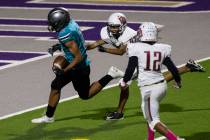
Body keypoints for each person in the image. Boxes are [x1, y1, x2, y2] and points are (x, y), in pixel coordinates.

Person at [86, 13, 205, 120]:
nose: (112, 29)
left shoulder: (130, 35)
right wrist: (85, 47)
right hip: (141, 57)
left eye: (115, 27)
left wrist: (105, 50)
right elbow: (99, 42)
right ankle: (188, 67)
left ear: (122, 26)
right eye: (111, 26)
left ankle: (119, 112)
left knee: (127, 83)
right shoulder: (110, 32)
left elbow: (121, 51)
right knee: (157, 80)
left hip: (144, 58)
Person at [31, 7, 124, 123]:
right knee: (55, 86)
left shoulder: (64, 33)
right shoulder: (71, 23)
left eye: (54, 23)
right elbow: (76, 42)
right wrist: (59, 46)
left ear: (60, 22)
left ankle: (111, 74)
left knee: (85, 95)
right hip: (73, 63)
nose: (52, 26)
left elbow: (78, 57)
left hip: (79, 67)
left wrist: (64, 71)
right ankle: (49, 117)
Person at [119, 22, 185, 140]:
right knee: (149, 114)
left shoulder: (136, 48)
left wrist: (124, 81)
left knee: (153, 120)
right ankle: (150, 138)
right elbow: (172, 68)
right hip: (161, 86)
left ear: (142, 34)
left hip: (149, 88)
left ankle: (175, 139)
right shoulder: (161, 49)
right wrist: (178, 81)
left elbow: (131, 68)